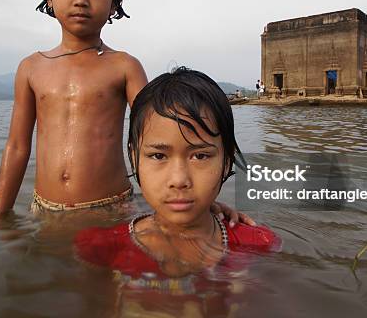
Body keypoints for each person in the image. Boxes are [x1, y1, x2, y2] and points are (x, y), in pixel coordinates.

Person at [0, 0, 246, 224]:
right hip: (44, 209)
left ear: (115, 1)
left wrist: (200, 200)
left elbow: (161, 136)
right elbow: (17, 146)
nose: (80, 0)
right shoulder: (31, 67)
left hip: (111, 208)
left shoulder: (123, 66)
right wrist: (0, 215)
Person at [75, 67, 280, 285]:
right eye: (158, 156)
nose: (179, 180)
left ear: (227, 161)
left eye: (200, 156)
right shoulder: (101, 247)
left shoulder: (259, 244)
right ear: (134, 158)